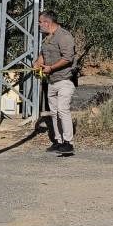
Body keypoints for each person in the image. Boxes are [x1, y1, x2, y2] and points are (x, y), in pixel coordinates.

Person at [33, 10, 76, 155]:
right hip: (51, 82)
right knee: (54, 113)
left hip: (65, 80)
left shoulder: (64, 36)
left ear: (47, 22)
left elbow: (68, 58)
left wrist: (51, 68)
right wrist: (38, 63)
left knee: (63, 110)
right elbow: (43, 55)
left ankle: (68, 143)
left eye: (40, 22)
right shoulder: (47, 38)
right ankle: (58, 141)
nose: (39, 25)